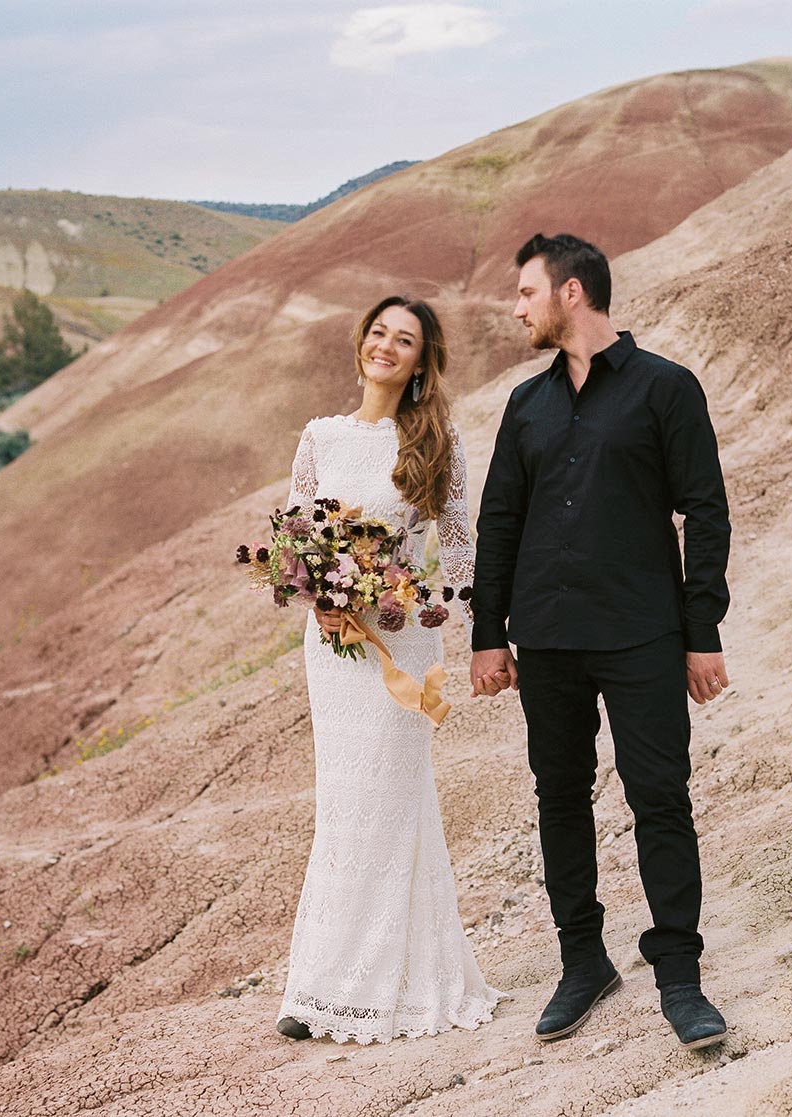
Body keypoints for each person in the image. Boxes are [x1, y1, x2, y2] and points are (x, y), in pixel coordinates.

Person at [470, 233, 732, 1048]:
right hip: (547, 636)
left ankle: (680, 977)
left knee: (659, 796)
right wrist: (488, 634)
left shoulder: (666, 389)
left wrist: (702, 631)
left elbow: (706, 513)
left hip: (640, 632)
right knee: (559, 798)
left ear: (571, 292)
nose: (518, 309)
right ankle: (583, 961)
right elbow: (500, 522)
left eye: (525, 293)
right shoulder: (526, 404)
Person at [275, 295, 504, 1043]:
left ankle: (390, 982)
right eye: (378, 332)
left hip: (400, 647)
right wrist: (320, 600)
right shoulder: (320, 436)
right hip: (333, 649)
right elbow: (294, 538)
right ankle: (318, 987)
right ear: (361, 341)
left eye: (404, 340)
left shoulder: (437, 440)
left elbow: (461, 548)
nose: (386, 346)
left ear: (420, 360)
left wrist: (479, 633)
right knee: (341, 803)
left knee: (392, 802)